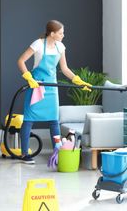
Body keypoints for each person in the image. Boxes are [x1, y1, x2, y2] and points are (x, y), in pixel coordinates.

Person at [17, 20, 91, 164]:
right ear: (52, 33)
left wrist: (78, 80)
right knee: (28, 120)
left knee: (53, 121)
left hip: (52, 87)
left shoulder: (60, 47)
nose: (63, 35)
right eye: (61, 33)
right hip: (36, 86)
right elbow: (21, 61)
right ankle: (24, 153)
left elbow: (64, 68)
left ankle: (58, 152)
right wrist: (28, 77)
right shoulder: (38, 44)